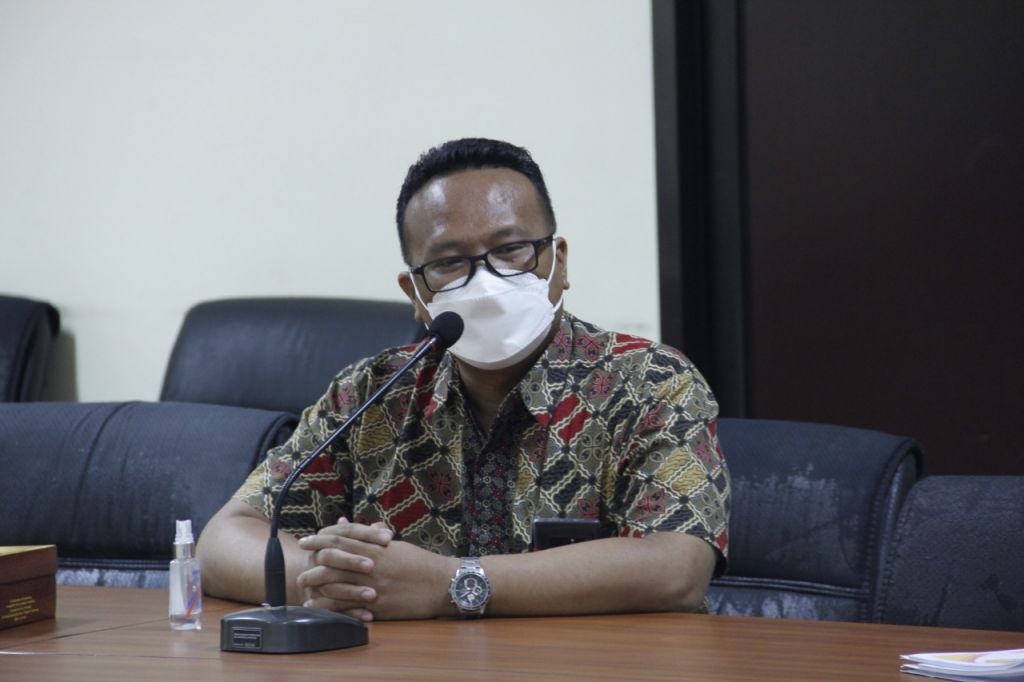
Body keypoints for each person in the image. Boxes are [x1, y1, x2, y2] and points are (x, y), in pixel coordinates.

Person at [197, 138, 730, 621]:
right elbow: (224, 541)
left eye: (511, 249)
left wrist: (448, 584)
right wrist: (345, 583)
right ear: (416, 294)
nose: (487, 281)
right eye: (450, 262)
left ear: (559, 262)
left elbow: (677, 567)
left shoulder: (650, 382)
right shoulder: (370, 394)